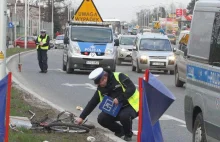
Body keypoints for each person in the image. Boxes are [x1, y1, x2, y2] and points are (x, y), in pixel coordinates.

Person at [75, 67, 139, 141]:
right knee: (102, 118)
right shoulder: (100, 89)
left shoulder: (119, 76)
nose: (99, 85)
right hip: (116, 109)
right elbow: (92, 103)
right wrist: (81, 117)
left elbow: (131, 88)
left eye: (100, 83)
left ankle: (128, 135)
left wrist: (120, 99)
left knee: (124, 116)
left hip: (133, 105)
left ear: (104, 78)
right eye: (97, 84)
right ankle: (120, 131)